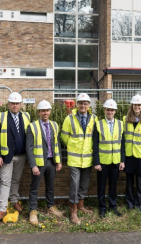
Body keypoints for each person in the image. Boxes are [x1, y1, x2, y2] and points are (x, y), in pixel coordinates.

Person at [0, 92, 31, 221]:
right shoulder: (0, 117)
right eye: (13, 103)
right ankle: (2, 208)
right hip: (6, 156)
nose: (15, 106)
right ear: (8, 104)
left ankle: (14, 200)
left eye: (17, 103)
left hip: (21, 155)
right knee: (5, 181)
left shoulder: (26, 116)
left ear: (21, 105)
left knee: (16, 180)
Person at [61, 93, 98, 225]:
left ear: (89, 105)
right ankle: (73, 211)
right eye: (81, 103)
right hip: (75, 158)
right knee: (74, 185)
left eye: (85, 103)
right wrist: (73, 146)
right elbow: (64, 137)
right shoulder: (69, 118)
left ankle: (81, 205)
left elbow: (95, 138)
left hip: (87, 158)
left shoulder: (94, 118)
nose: (83, 105)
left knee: (84, 183)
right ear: (77, 104)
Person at [26, 100, 64, 224]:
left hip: (51, 161)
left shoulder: (54, 125)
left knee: (50, 186)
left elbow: (56, 144)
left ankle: (51, 206)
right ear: (39, 112)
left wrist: (58, 161)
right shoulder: (32, 126)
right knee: (34, 188)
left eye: (47, 110)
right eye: (43, 111)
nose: (45, 113)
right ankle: (33, 210)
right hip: (39, 163)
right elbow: (29, 147)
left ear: (50, 112)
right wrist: (33, 165)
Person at [93, 99, 125, 218]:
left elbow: (122, 144)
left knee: (113, 186)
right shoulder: (98, 124)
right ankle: (102, 208)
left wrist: (122, 160)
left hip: (115, 161)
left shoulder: (121, 124)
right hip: (102, 162)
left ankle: (113, 206)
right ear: (104, 110)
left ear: (115, 111)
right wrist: (96, 162)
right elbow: (95, 145)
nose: (110, 112)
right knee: (101, 186)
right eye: (108, 110)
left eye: (112, 110)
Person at [123, 94, 141, 211]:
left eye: (139, 105)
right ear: (132, 106)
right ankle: (129, 203)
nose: (137, 107)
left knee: (140, 182)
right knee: (129, 182)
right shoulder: (125, 120)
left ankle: (139, 204)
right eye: (135, 104)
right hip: (129, 156)